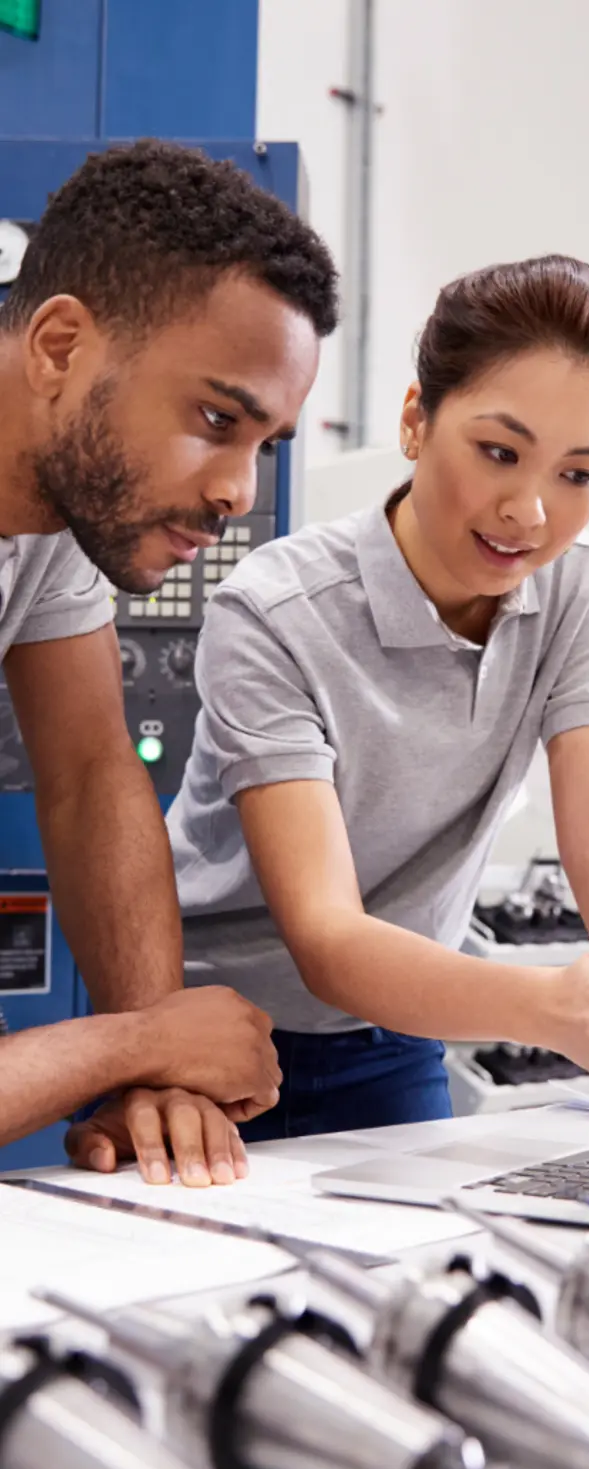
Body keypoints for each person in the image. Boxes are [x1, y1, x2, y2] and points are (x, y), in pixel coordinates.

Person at [79, 252, 589, 1153]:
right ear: (417, 421)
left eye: (579, 474)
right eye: (499, 452)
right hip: (214, 1040)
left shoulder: (576, 592)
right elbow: (328, 935)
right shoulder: (275, 609)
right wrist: (550, 1008)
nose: (529, 512)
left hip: (395, 1034)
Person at [0, 139, 338, 1182]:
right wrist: (136, 1044)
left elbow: (93, 773)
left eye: (264, 443)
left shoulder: (54, 503)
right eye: (213, 419)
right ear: (60, 346)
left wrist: (155, 1076)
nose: (238, 492)